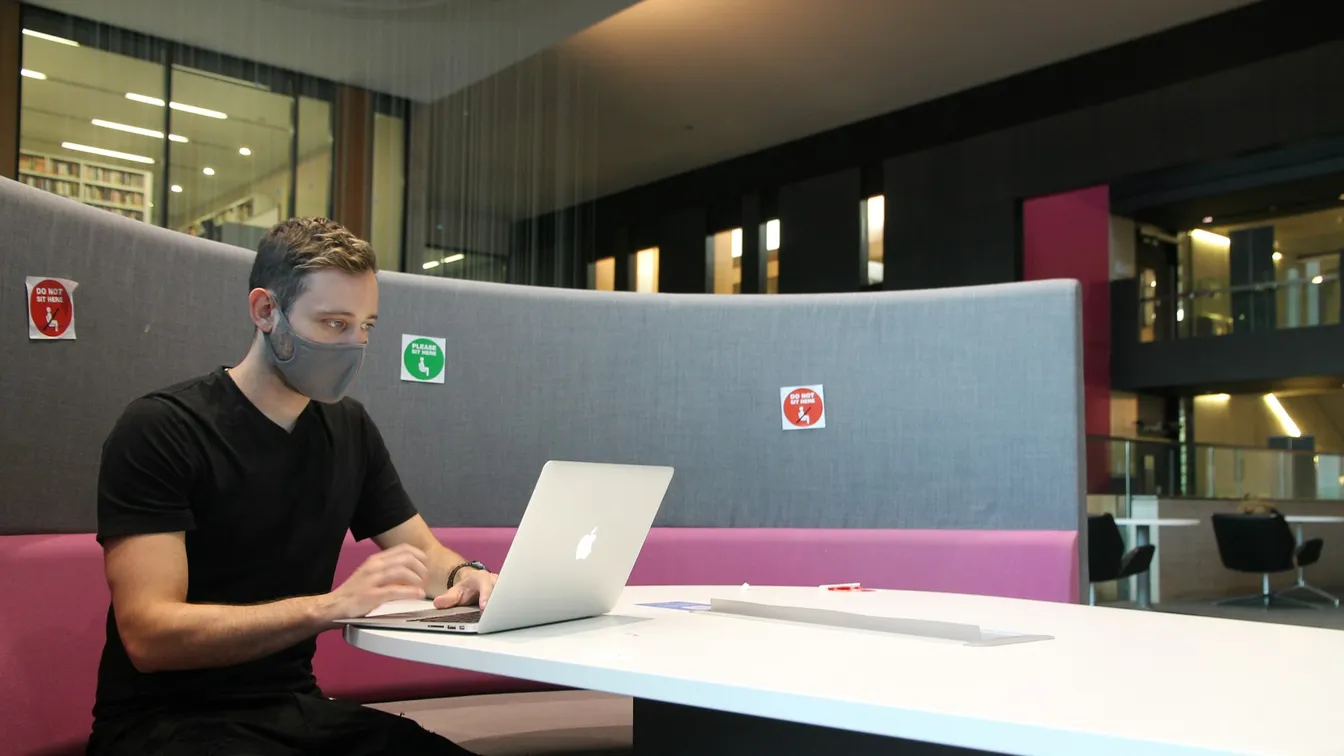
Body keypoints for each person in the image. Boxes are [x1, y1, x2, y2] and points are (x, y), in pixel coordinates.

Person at [87, 217, 495, 756]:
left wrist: (470, 576)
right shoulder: (161, 429)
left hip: (292, 712)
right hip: (160, 727)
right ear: (265, 311)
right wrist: (330, 607)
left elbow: (422, 551)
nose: (354, 345)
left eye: (365, 326)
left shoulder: (350, 429)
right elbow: (149, 633)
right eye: (332, 324)